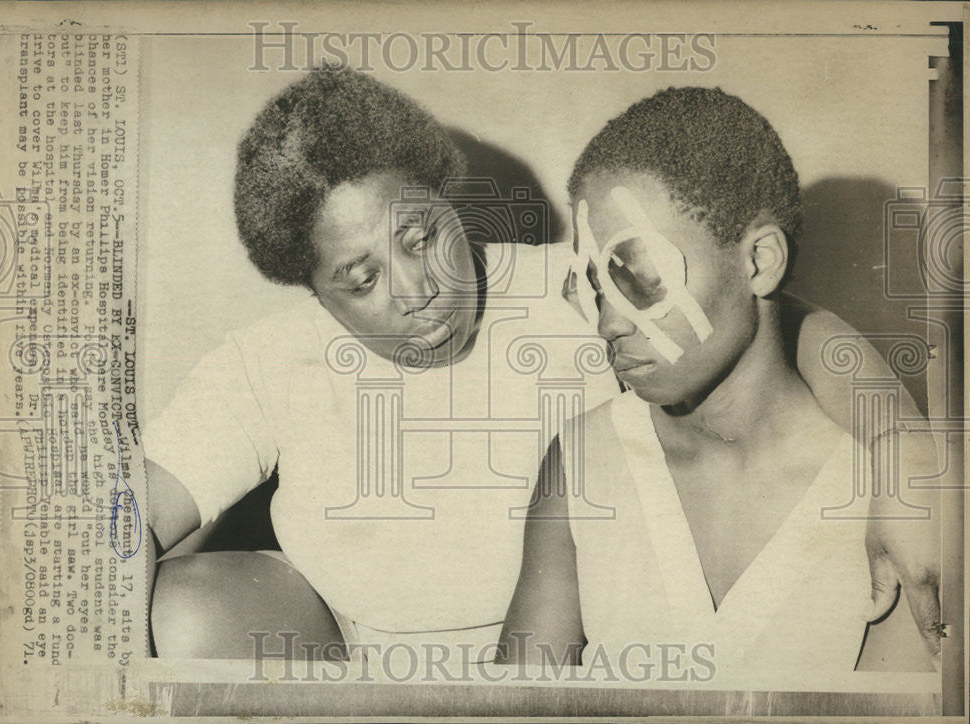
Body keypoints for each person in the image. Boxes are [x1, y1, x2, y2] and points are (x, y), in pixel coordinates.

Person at [145, 68, 941, 665]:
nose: (419, 289)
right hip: (354, 671)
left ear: (447, 196)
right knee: (183, 604)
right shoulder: (267, 360)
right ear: (315, 293)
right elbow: (128, 514)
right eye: (361, 280)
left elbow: (777, 321)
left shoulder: (569, 285)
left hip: (567, 660)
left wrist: (905, 448)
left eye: (422, 237)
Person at [497, 87, 939, 684]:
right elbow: (508, 709)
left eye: (644, 277)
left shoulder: (893, 494)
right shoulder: (581, 462)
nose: (608, 322)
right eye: (595, 284)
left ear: (759, 261)